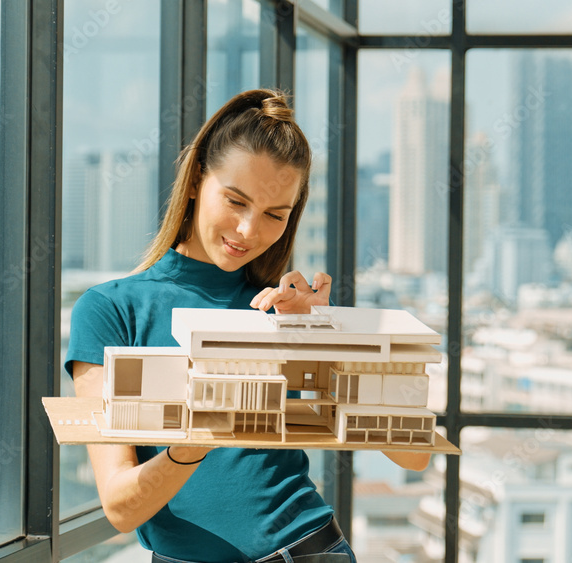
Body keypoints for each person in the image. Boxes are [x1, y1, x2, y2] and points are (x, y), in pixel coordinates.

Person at [65, 89, 430, 563]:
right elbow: (119, 507)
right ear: (196, 180)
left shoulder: (291, 310)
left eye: (274, 215)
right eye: (235, 201)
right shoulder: (109, 311)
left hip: (309, 551)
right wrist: (195, 441)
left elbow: (413, 457)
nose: (247, 231)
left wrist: (326, 337)